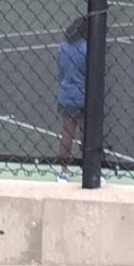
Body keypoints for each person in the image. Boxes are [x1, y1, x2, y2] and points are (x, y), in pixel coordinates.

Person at [55, 16, 88, 182]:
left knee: (67, 133)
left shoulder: (62, 47)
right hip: (82, 96)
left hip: (66, 94)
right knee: (86, 134)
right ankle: (87, 168)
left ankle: (63, 170)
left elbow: (60, 73)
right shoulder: (86, 48)